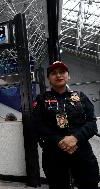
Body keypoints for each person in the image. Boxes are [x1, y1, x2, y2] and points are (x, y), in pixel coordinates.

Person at [33, 61, 99, 189]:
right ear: (48, 79)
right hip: (53, 155)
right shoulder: (41, 99)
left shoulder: (81, 97)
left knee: (90, 185)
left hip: (82, 152)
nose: (58, 75)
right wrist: (60, 141)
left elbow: (92, 124)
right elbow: (38, 125)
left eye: (62, 72)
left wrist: (75, 138)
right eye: (53, 73)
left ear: (68, 76)